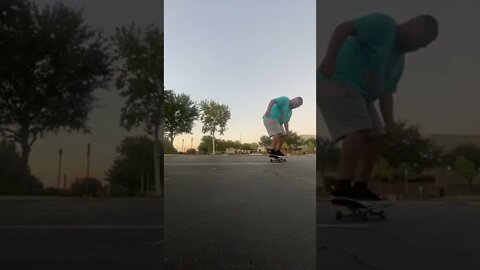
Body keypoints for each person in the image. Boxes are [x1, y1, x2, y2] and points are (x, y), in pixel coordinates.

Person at [317, 13, 438, 200]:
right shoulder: (384, 26)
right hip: (337, 79)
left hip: (361, 95)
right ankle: (342, 185)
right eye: (416, 40)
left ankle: (359, 186)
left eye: (421, 46)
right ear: (409, 24)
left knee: (377, 136)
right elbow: (344, 28)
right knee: (359, 129)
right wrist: (330, 58)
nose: (415, 47)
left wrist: (390, 123)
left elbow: (386, 93)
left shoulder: (398, 62)